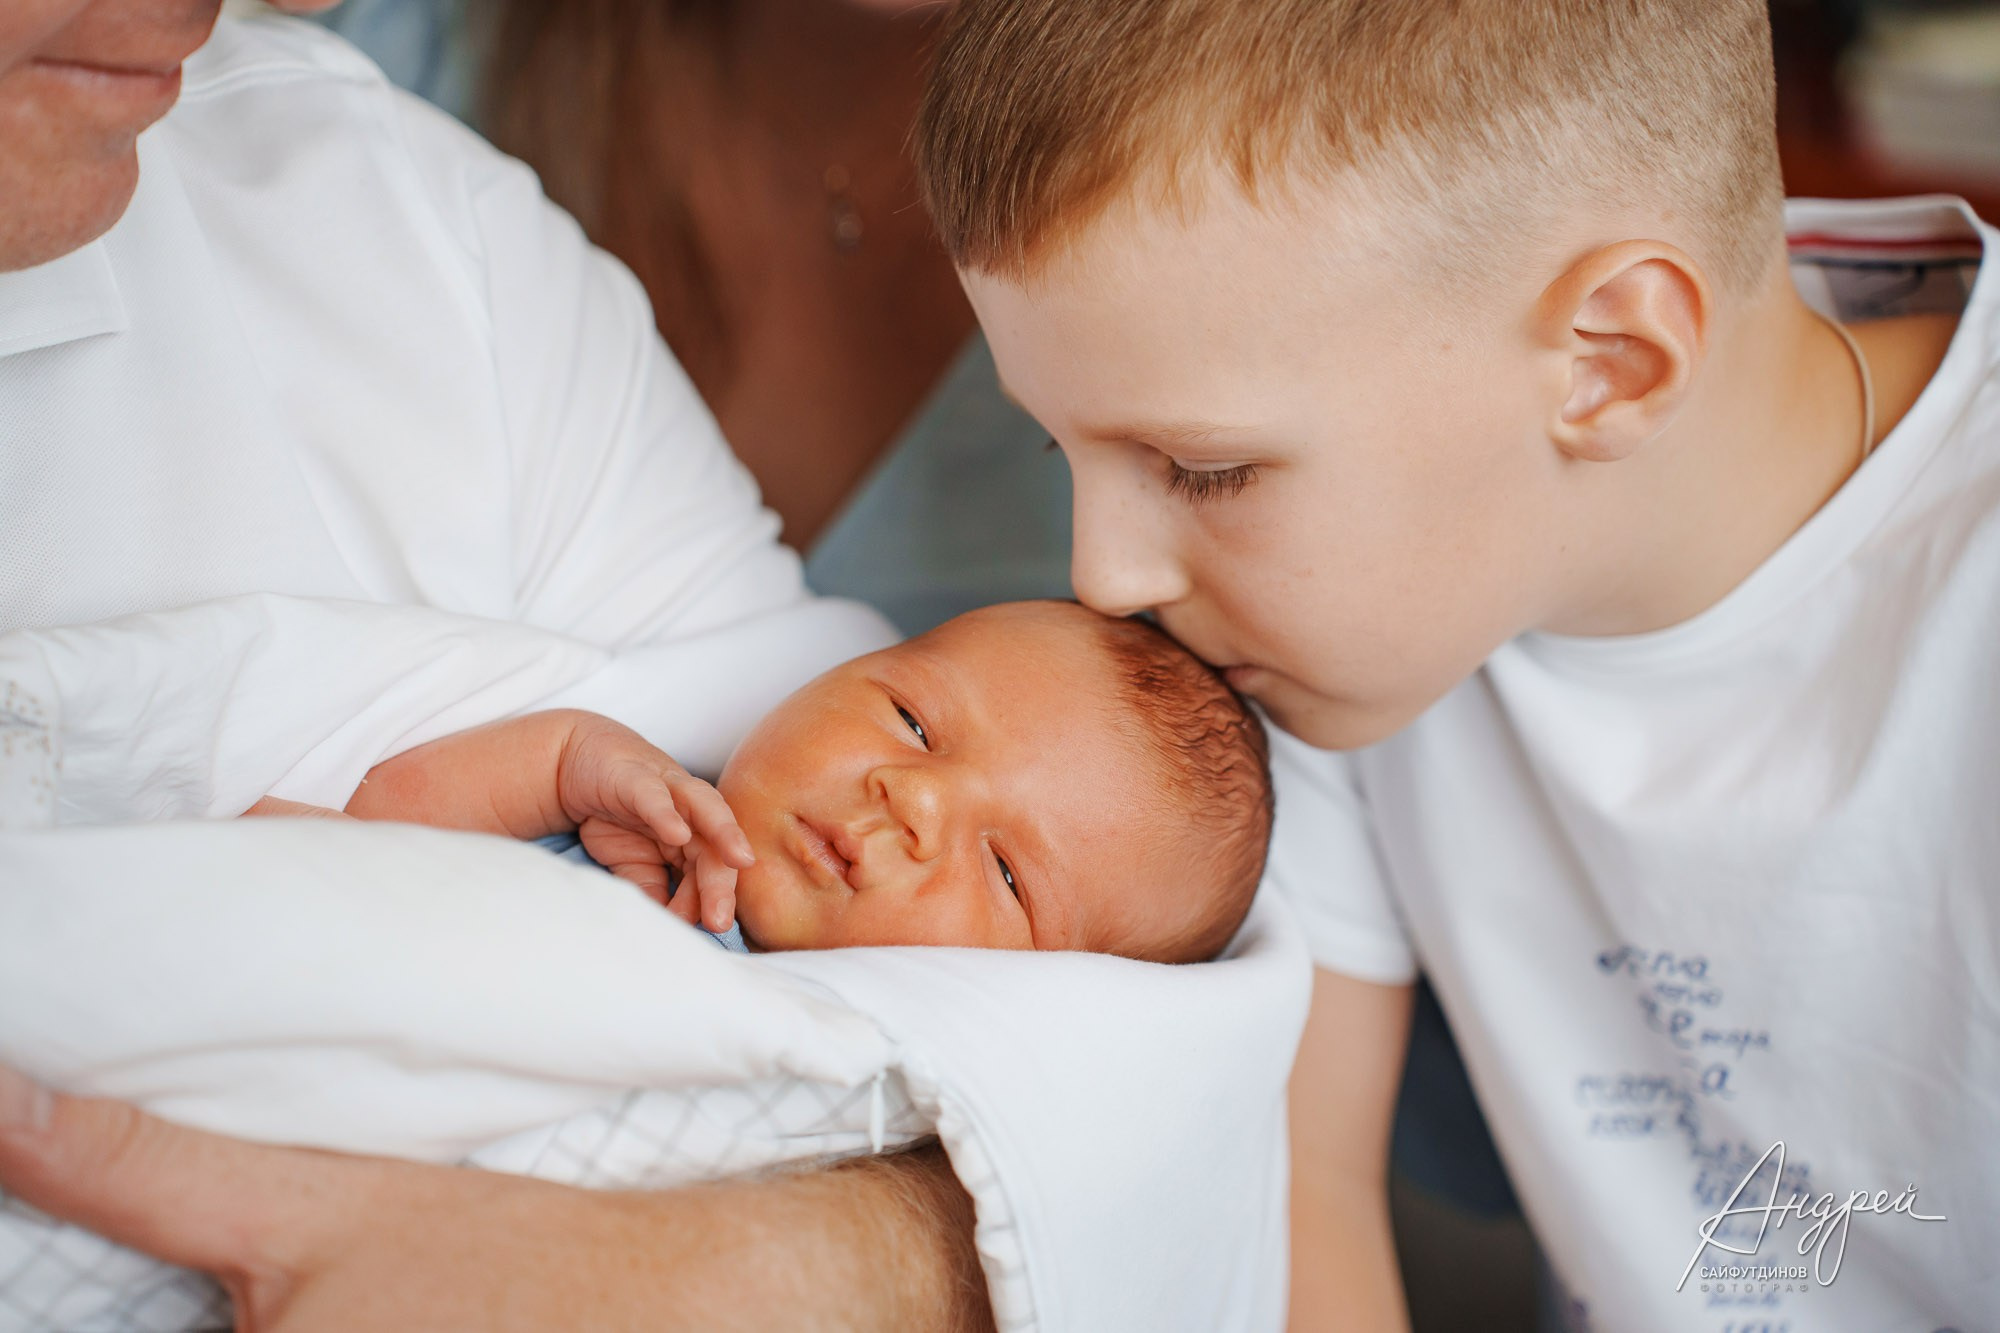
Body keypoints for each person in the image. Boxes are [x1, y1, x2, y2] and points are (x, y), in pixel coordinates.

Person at [918, 1, 1996, 1329]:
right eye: (1059, 449)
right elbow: (1303, 1191)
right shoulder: (1312, 651)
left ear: (1611, 361)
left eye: (1206, 470)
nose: (1105, 579)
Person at [0, 1, 992, 1327]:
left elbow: (1128, 1086)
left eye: (1009, 863)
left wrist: (772, 1261)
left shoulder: (398, 221)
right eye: (916, 728)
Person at [340, 601, 1272, 961]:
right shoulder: (628, 803)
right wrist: (559, 764)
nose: (919, 798)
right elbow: (336, 836)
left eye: (1009, 876)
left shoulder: (842, 1095)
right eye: (912, 721)